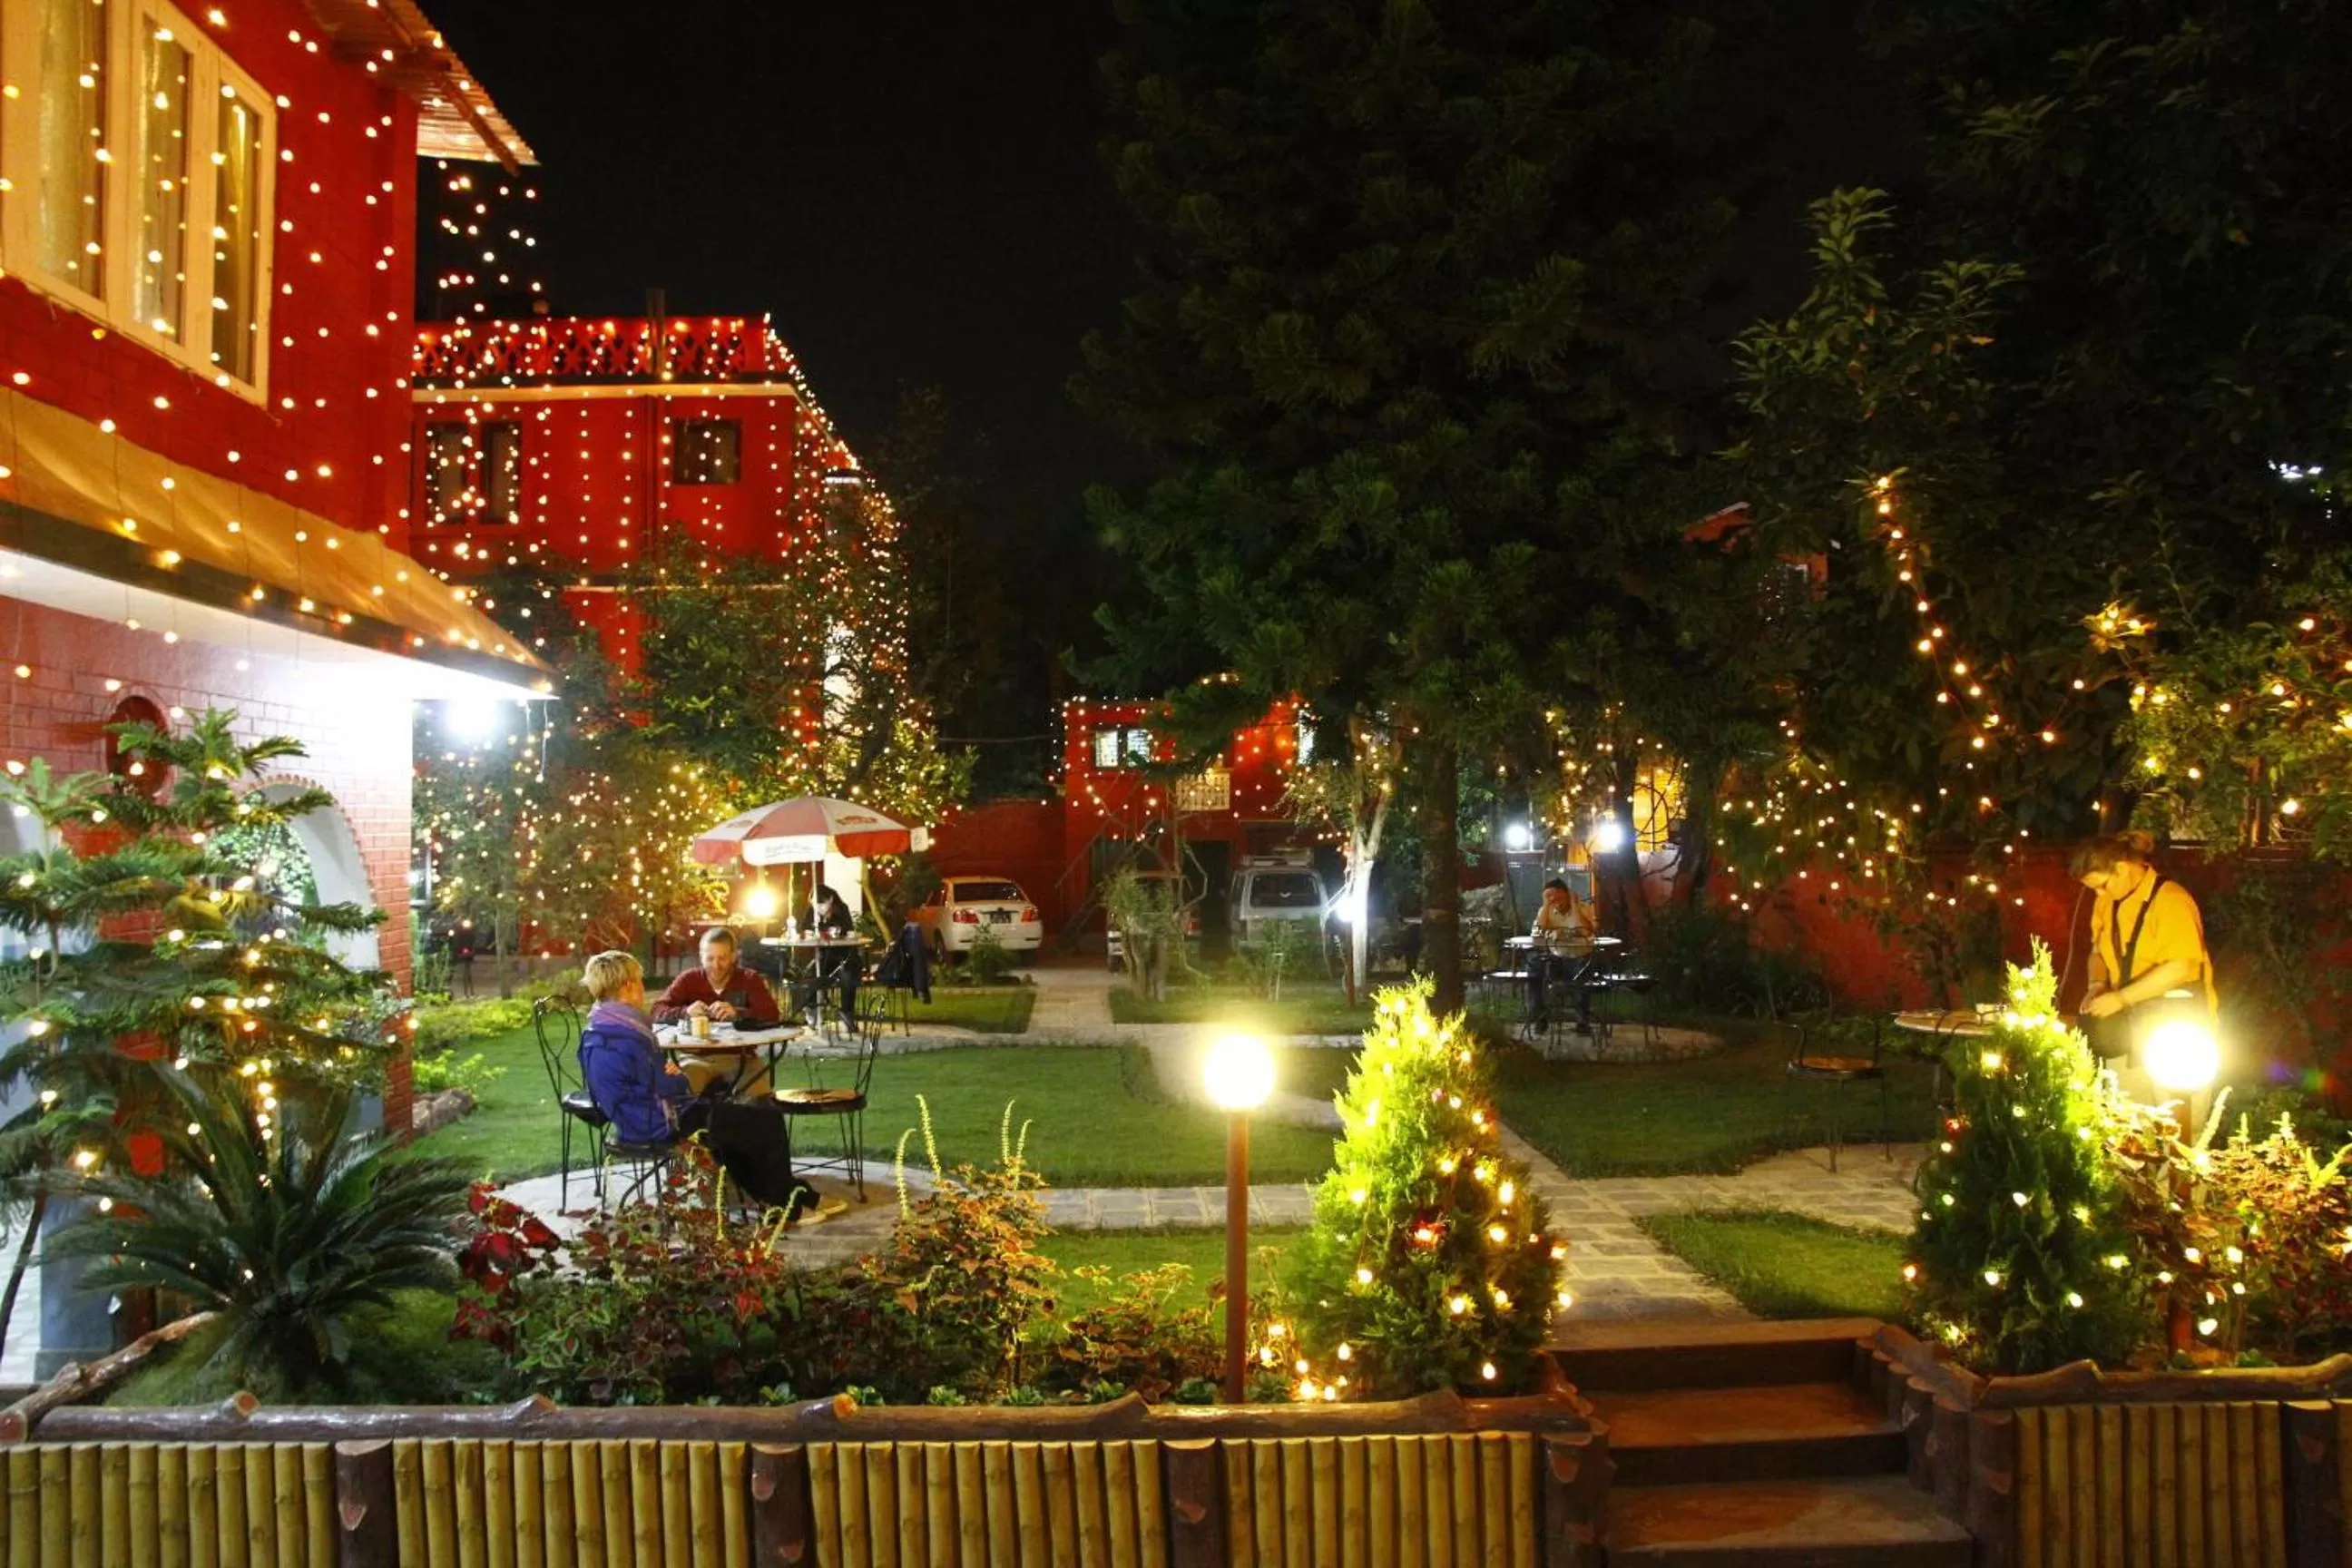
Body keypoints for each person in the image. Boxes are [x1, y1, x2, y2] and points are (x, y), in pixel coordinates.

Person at [575, 949, 817, 1217]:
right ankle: (785, 1206)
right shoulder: (629, 1035)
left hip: (633, 1118)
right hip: (660, 1123)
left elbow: (651, 1081)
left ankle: (769, 1196)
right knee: (766, 1119)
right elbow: (672, 1086)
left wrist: (669, 1075)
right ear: (628, 986)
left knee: (734, 1113)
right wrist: (677, 1076)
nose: (643, 988)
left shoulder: (599, 1027)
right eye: (640, 981)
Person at [2072, 833, 2217, 1080]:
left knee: (2177, 1112)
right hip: (2129, 1027)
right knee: (2125, 1112)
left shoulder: (2171, 900)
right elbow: (2098, 953)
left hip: (2178, 1029)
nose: (2098, 894)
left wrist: (2121, 998)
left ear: (2121, 868)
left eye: (2102, 885)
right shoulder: (2107, 902)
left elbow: (2179, 967)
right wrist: (2096, 985)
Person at [1525, 877, 1597, 1027]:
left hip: (1580, 956)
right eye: (1550, 897)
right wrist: (1546, 904)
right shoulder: (1547, 911)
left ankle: (1582, 1020)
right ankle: (1539, 1016)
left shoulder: (1583, 908)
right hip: (1556, 957)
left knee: (1582, 971)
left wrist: (1574, 905)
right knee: (1534, 966)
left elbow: (1585, 931)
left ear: (1568, 894)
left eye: (1559, 897)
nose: (1555, 901)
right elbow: (1538, 933)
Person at [802, 884, 861, 1030]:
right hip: (822, 955)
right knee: (812, 972)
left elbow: (849, 932)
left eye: (821, 904)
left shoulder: (841, 910)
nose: (818, 908)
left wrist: (836, 931)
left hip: (843, 955)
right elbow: (803, 929)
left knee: (847, 974)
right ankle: (811, 1007)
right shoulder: (812, 912)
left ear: (830, 900)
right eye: (815, 904)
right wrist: (810, 931)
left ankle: (847, 1012)